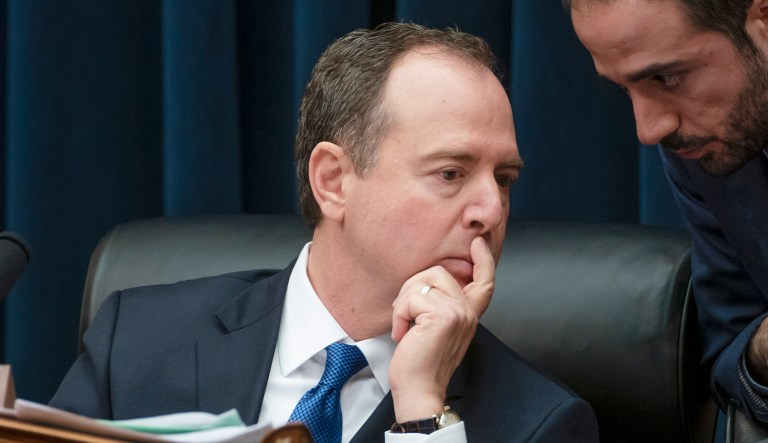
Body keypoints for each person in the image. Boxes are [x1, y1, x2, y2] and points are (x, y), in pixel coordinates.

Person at [49, 22, 598, 442]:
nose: (490, 210)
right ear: (334, 181)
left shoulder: (540, 422)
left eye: (503, 179)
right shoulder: (140, 340)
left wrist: (424, 408)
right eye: (451, 173)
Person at [565, 0, 768, 425]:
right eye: (624, 89)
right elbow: (730, 359)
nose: (649, 130)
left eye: (667, 78)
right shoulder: (703, 150)